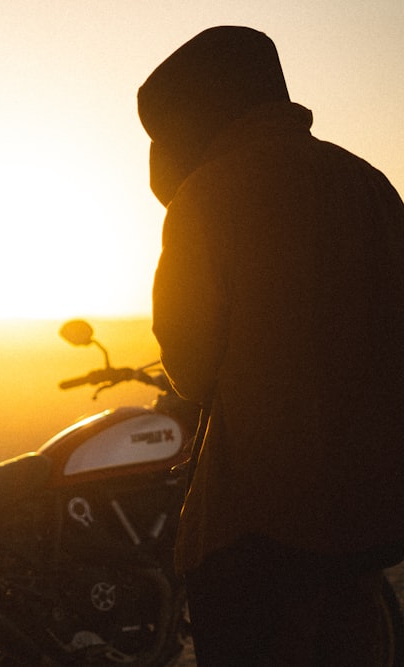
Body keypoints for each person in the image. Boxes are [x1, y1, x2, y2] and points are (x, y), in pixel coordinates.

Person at [138, 26, 404, 665]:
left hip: (254, 532)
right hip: (364, 528)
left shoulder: (207, 194)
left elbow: (190, 367)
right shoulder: (373, 185)